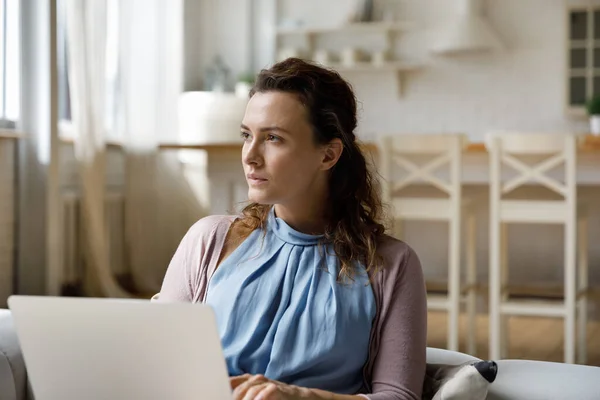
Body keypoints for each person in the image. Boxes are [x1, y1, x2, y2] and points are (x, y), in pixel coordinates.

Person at [157, 57, 427, 400]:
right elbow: (158, 369)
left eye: (273, 138)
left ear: (328, 155)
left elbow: (399, 397)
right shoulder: (208, 240)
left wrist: (300, 398)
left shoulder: (391, 264)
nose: (250, 156)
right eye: (246, 135)